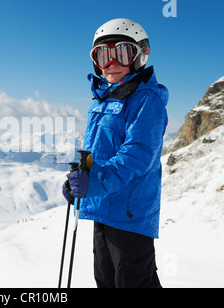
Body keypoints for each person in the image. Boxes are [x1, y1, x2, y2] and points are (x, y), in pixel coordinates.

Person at [63, 18, 168, 288]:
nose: (111, 63)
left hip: (130, 216)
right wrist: (77, 180)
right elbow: (93, 149)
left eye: (120, 53)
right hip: (102, 209)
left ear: (139, 55)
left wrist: (94, 183)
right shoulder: (103, 99)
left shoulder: (147, 100)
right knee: (106, 282)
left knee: (133, 283)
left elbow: (136, 156)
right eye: (102, 55)